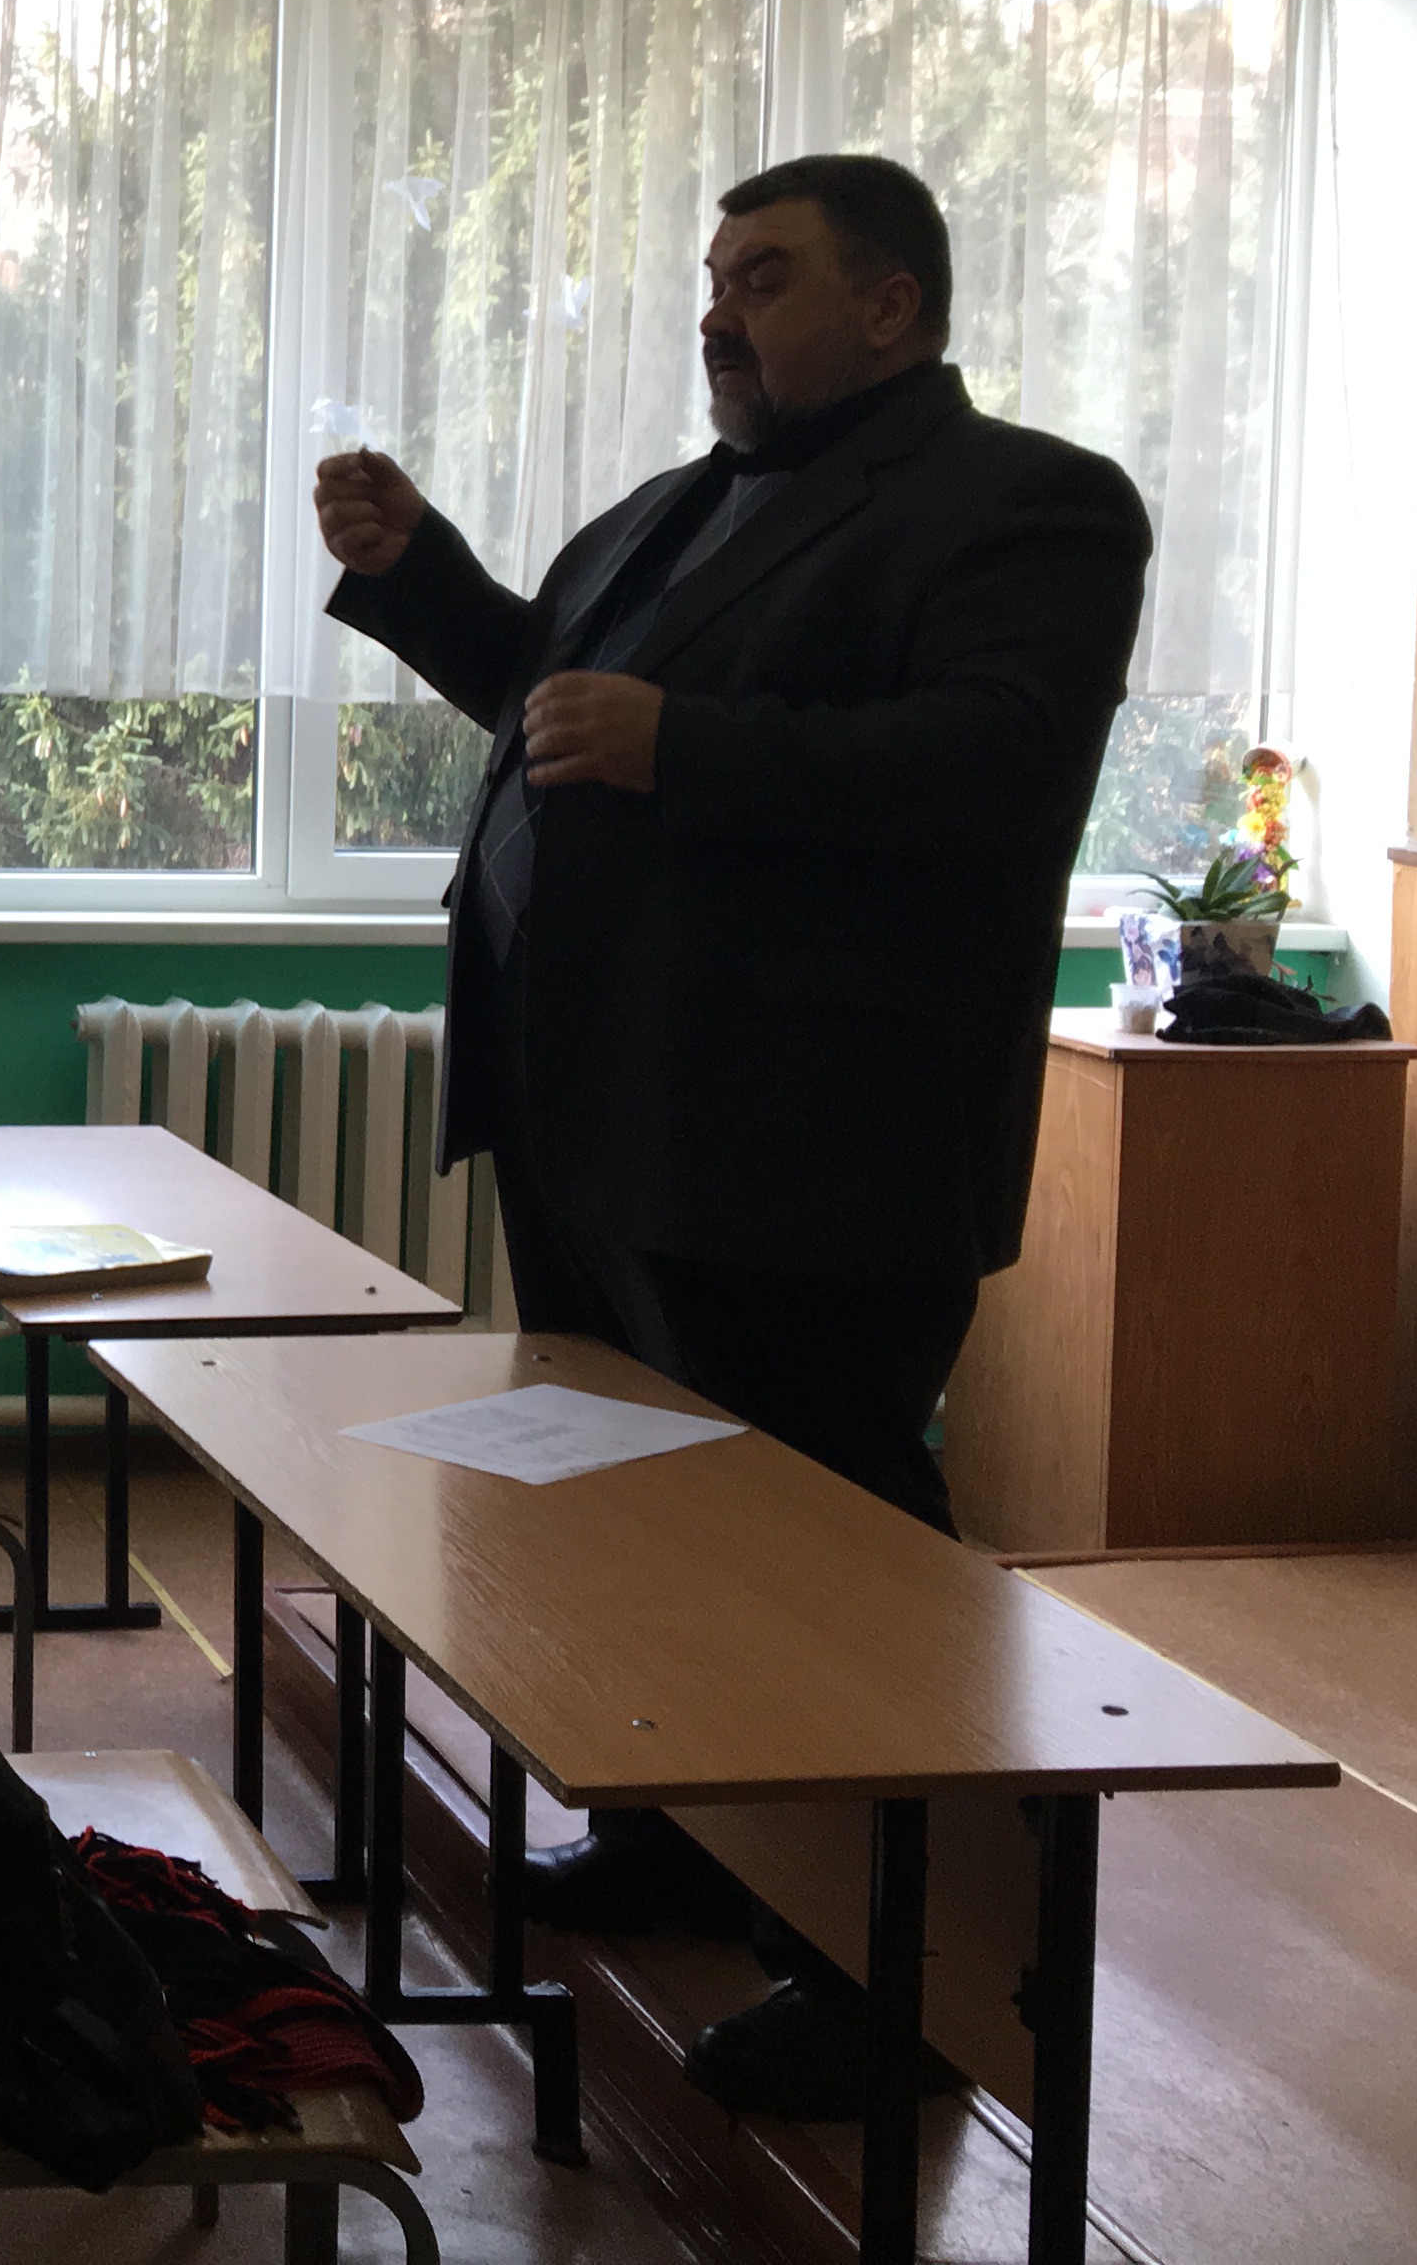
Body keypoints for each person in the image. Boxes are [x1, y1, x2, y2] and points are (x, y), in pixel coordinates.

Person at [313, 152, 1151, 2118]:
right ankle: (681, 1831)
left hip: (810, 1143)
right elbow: (550, 704)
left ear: (892, 305)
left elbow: (1002, 763)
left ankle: (897, 1975)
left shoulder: (1029, 501)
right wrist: (426, 575)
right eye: (713, 275)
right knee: (631, 1511)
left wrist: (685, 743)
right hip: (592, 1107)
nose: (717, 311)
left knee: (831, 1563)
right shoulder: (677, 506)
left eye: (764, 277)